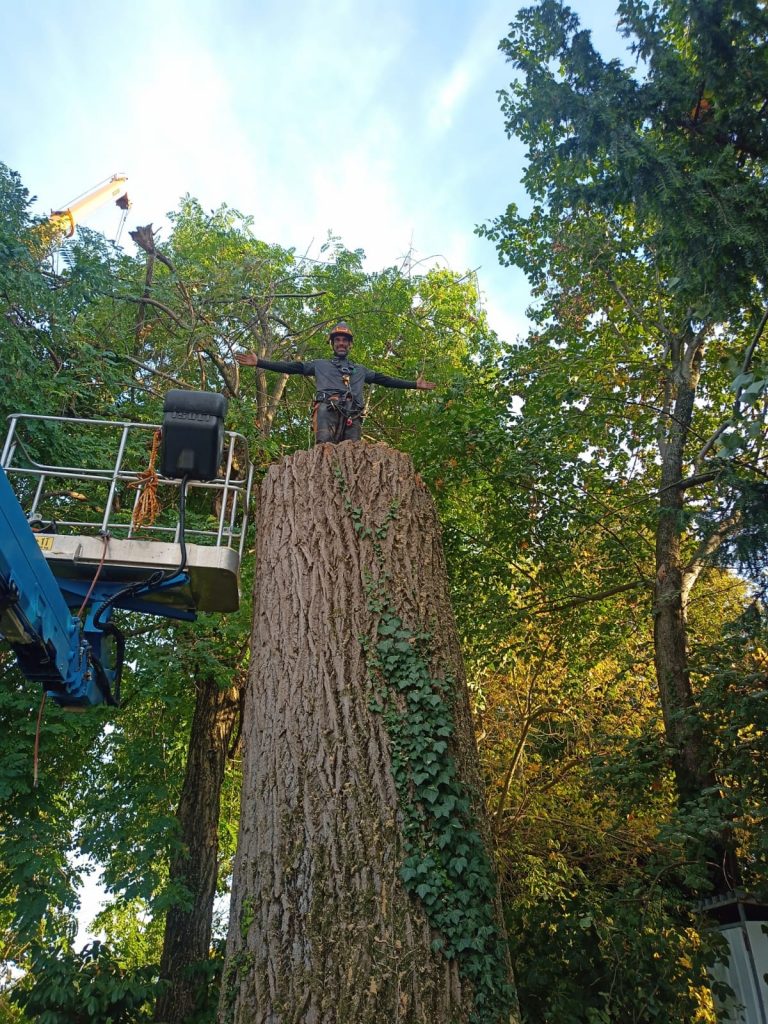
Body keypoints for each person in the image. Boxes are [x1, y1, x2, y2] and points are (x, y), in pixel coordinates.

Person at [236, 321, 436, 443]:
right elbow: (293, 368)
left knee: (353, 452)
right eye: (337, 340)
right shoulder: (320, 364)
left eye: (345, 340)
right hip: (327, 410)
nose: (341, 343)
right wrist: (260, 362)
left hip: (353, 414)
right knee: (325, 449)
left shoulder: (360, 370)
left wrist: (413, 384)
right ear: (332, 343)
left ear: (350, 345)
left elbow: (386, 380)